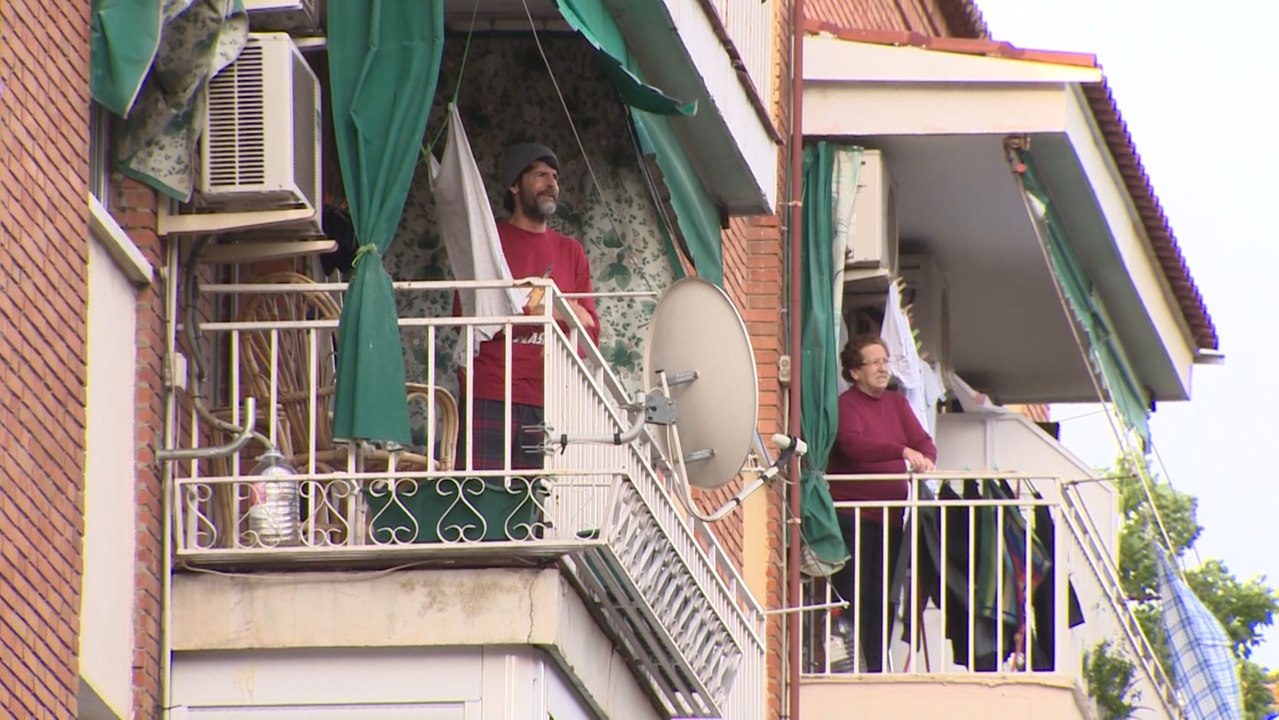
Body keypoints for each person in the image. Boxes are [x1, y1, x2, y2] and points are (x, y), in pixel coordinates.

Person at [457, 142, 600, 472]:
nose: (552, 183)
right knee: (482, 502)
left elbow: (589, 326)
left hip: (551, 396)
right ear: (514, 185)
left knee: (540, 512)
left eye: (555, 176)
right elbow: (467, 315)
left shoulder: (571, 251)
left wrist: (545, 309)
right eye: (539, 175)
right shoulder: (490, 244)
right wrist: (558, 312)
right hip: (491, 391)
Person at [827, 334, 937, 672]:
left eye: (885, 361)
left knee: (884, 600)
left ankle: (875, 668)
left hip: (890, 520)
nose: (882, 367)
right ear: (854, 371)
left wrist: (926, 458)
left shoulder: (897, 404)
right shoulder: (847, 406)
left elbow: (923, 441)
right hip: (852, 519)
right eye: (874, 361)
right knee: (853, 597)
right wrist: (901, 451)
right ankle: (848, 666)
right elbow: (851, 445)